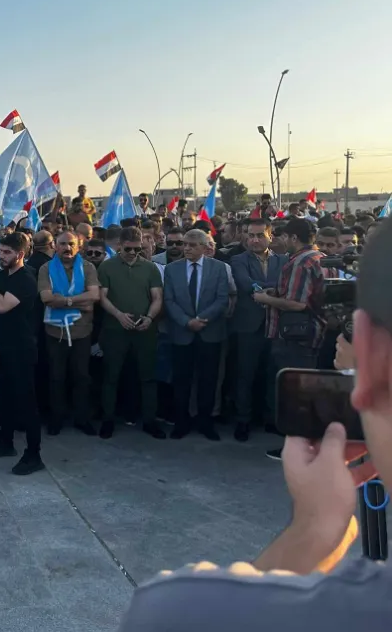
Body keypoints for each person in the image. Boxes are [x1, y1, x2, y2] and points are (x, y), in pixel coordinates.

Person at [118, 224, 392, 631]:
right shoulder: (174, 272)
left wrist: (314, 528)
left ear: (363, 352)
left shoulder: (173, 612)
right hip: (186, 334)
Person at [255, 217, 326, 459]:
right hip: (311, 335)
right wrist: (277, 292)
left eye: (282, 236)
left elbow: (297, 304)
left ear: (293, 238)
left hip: (295, 337)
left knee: (294, 395)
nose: (279, 240)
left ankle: (297, 449)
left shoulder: (300, 263)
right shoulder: (319, 257)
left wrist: (266, 300)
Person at [0, 233, 44, 475]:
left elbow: (2, 306)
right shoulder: (4, 275)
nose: (2, 256)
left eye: (7, 252)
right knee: (5, 398)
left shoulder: (25, 279)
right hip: (5, 346)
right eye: (1, 250)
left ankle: (33, 453)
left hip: (22, 349)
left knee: (26, 404)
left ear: (21, 255)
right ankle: (5, 441)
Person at [97, 227, 166, 440]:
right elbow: (102, 297)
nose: (133, 253)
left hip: (144, 330)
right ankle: (108, 419)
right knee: (111, 376)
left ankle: (149, 420)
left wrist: (149, 318)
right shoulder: (107, 267)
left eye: (138, 249)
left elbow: (157, 298)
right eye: (129, 249)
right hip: (115, 330)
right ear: (119, 245)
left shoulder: (150, 268)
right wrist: (118, 315)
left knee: (148, 377)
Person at [162, 230, 231, 440]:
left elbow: (222, 299)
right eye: (185, 245)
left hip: (209, 332)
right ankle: (181, 422)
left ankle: (205, 422)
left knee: (208, 380)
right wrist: (186, 321)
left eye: (192, 245)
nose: (187, 249)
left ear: (204, 247)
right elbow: (169, 300)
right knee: (181, 380)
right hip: (181, 333)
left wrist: (201, 320)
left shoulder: (218, 268)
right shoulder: (172, 269)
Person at [38, 231, 100, 435]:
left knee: (81, 376)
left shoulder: (88, 267)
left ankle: (82, 418)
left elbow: (94, 295)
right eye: (63, 244)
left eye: (71, 244)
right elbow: (47, 298)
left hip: (81, 332)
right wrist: (78, 303)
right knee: (57, 376)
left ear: (79, 246)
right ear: (55, 246)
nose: (67, 248)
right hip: (55, 333)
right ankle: (57, 418)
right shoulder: (46, 268)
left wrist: (64, 301)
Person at [230, 218, 286, 441]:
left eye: (259, 235)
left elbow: (285, 285)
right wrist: (274, 290)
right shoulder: (238, 260)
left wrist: (267, 290)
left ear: (270, 236)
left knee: (274, 374)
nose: (254, 240)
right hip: (248, 326)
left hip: (277, 326)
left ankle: (272, 419)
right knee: (245, 374)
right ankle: (243, 420)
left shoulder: (283, 260)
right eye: (250, 235)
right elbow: (246, 284)